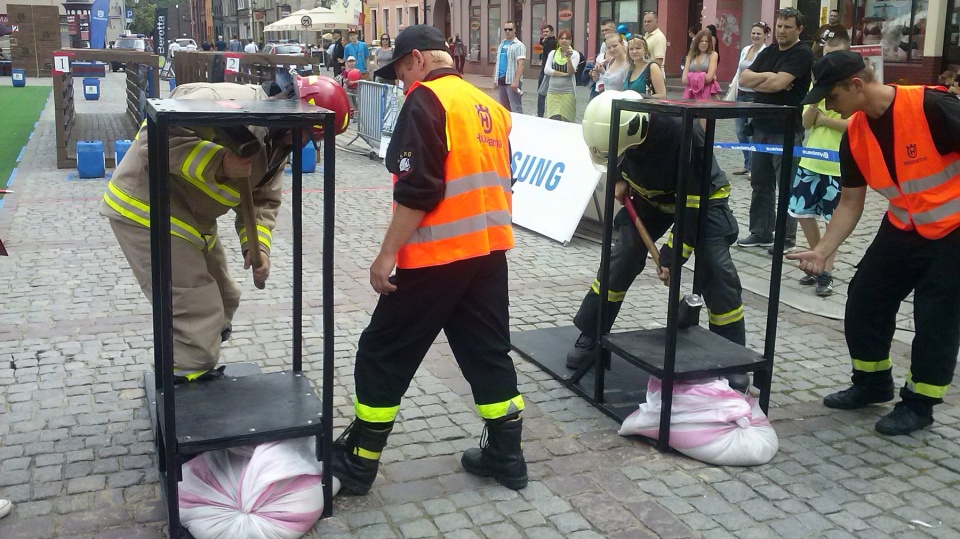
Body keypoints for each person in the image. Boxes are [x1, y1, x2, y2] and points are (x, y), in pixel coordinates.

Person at [331, 25, 526, 495]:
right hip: (487, 251)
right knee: (486, 351)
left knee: (382, 353)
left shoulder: (426, 101)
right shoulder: (487, 106)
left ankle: (360, 460)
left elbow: (418, 190)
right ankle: (507, 455)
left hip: (438, 256)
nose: (401, 84)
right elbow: (506, 178)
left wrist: (386, 255)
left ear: (416, 59)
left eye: (400, 73)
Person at [100, 74, 349, 382]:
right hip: (148, 210)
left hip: (192, 219)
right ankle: (186, 382)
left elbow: (261, 201)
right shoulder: (223, 98)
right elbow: (153, 136)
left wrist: (257, 249)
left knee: (225, 296)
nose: (300, 145)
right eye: (307, 136)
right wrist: (219, 162)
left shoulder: (277, 139)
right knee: (197, 310)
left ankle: (195, 358)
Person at [787, 50, 960, 435]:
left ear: (857, 85)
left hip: (953, 232)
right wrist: (823, 249)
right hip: (903, 226)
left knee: (936, 319)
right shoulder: (855, 133)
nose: (828, 107)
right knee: (866, 297)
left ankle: (920, 404)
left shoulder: (933, 106)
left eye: (832, 97)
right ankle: (872, 382)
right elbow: (850, 201)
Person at [567, 90, 748, 388]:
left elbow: (692, 206)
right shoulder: (614, 122)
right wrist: (616, 179)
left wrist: (673, 255)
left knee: (716, 267)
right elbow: (609, 157)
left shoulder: (683, 133)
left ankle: (729, 356)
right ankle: (593, 331)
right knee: (623, 255)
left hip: (701, 199)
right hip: (649, 199)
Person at [736, 8, 813, 254]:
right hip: (760, 126)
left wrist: (770, 81)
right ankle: (761, 232)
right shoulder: (769, 52)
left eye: (787, 27)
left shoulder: (802, 53)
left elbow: (779, 84)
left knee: (787, 187)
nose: (781, 30)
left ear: (799, 29)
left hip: (786, 129)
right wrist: (770, 76)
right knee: (760, 184)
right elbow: (743, 79)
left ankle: (785, 239)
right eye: (779, 25)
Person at [788, 36, 850, 297]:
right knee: (802, 213)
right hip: (811, 160)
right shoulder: (819, 84)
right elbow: (806, 122)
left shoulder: (850, 90)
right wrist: (815, 105)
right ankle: (818, 260)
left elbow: (852, 126)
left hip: (837, 163)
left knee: (831, 221)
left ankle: (826, 272)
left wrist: (824, 120)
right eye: (825, 55)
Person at [726, 21, 770, 176]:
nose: (755, 36)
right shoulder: (745, 49)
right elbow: (739, 71)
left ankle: (754, 167)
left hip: (754, 95)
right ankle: (747, 163)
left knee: (753, 131)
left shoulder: (766, 52)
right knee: (740, 131)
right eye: (753, 33)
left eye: (759, 33)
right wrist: (733, 86)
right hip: (741, 93)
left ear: (766, 35)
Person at [543, 29, 580, 122]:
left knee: (568, 119)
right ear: (558, 40)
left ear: (571, 41)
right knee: (553, 119)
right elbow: (547, 70)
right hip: (553, 91)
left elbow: (571, 71)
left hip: (567, 91)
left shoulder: (575, 54)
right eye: (562, 38)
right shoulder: (553, 53)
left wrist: (568, 58)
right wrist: (564, 74)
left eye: (567, 38)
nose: (564, 40)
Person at [494, 21, 526, 113]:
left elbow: (521, 64)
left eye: (510, 29)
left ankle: (519, 125)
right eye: (506, 29)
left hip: (511, 80)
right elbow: (498, 62)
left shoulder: (519, 45)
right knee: (504, 108)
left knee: (516, 107)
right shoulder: (501, 44)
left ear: (514, 30)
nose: (507, 31)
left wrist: (516, 81)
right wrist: (495, 79)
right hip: (501, 80)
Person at [682, 29, 721, 103]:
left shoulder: (713, 55)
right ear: (697, 42)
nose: (704, 43)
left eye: (706, 41)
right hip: (691, 94)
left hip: (708, 94)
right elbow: (684, 80)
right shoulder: (691, 55)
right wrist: (703, 77)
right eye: (701, 41)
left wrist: (690, 76)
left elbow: (709, 78)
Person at [589, 19, 618, 100]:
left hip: (612, 91)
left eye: (607, 30)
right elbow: (596, 78)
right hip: (598, 88)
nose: (605, 32)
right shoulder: (603, 46)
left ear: (614, 29)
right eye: (602, 30)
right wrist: (595, 73)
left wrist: (604, 68)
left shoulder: (622, 44)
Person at [536, 25, 557, 118]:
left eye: (547, 32)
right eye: (543, 32)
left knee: (542, 94)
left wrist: (543, 43)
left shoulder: (551, 42)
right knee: (544, 94)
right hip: (544, 70)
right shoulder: (545, 42)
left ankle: (540, 115)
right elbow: (541, 55)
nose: (545, 33)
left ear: (552, 32)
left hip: (548, 72)